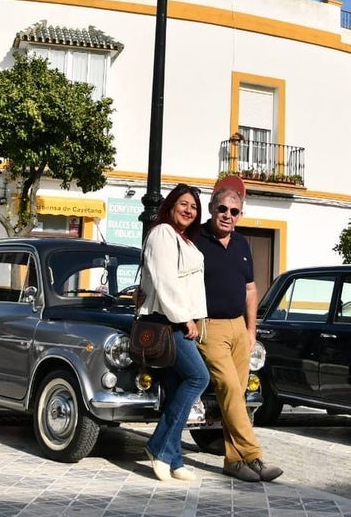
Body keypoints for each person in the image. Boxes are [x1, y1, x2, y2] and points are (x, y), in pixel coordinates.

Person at [192, 186, 283, 482]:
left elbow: (250, 290)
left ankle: (233, 462)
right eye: (223, 209)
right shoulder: (195, 239)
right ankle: (254, 456)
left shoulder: (243, 243)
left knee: (237, 396)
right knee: (230, 388)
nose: (228, 216)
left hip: (238, 329)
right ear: (211, 209)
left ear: (240, 215)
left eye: (234, 211)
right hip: (210, 327)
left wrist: (251, 329)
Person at [140, 183, 210, 482]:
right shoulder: (163, 234)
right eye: (183, 204)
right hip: (168, 322)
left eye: (193, 207)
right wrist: (185, 321)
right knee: (199, 377)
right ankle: (158, 446)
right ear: (169, 206)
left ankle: (175, 459)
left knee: (176, 388)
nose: (188, 210)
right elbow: (165, 281)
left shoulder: (183, 239)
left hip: (177, 321)